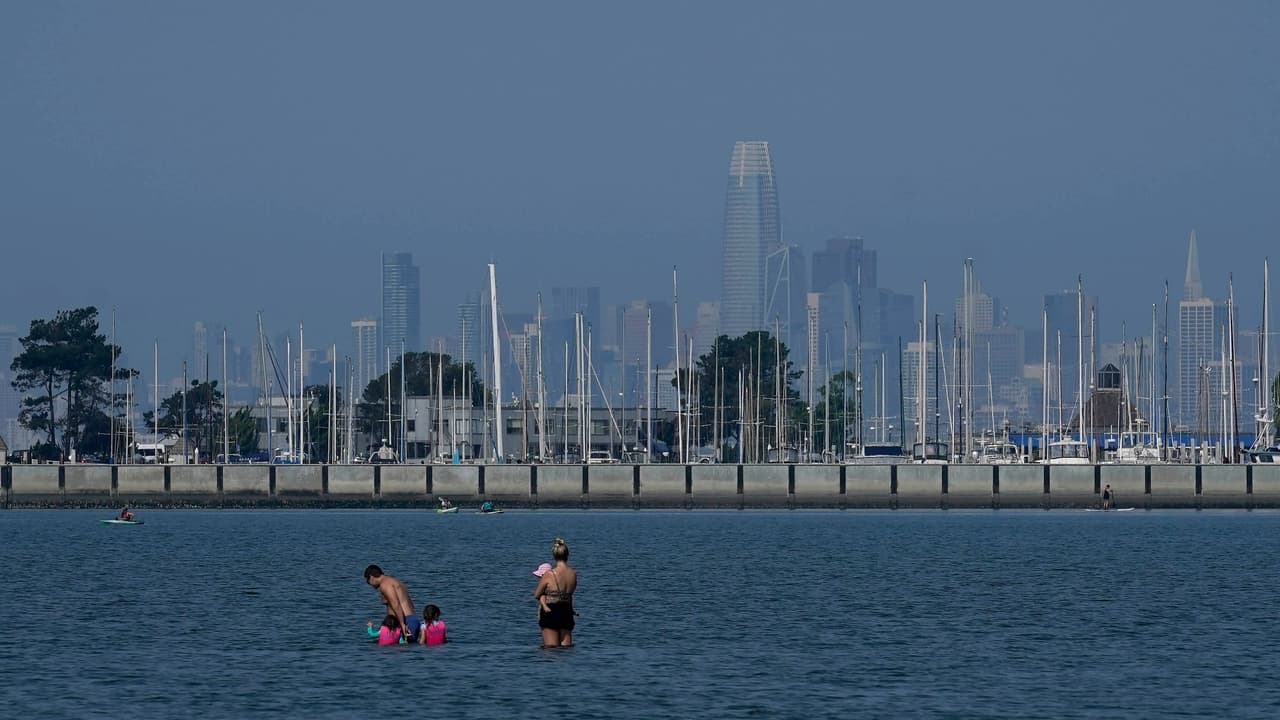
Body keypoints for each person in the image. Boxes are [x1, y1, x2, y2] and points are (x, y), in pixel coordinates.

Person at [532, 537, 577, 648]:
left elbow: (537, 594)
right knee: (566, 650)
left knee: (551, 650)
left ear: (554, 556)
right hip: (567, 611)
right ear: (567, 555)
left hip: (551, 611)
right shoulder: (573, 574)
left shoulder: (549, 574)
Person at [364, 565, 420, 641]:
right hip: (412, 620)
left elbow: (395, 604)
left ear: (371, 577)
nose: (369, 584)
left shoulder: (385, 584)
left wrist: (402, 624)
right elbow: (410, 604)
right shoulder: (395, 581)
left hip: (405, 622)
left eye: (367, 581)